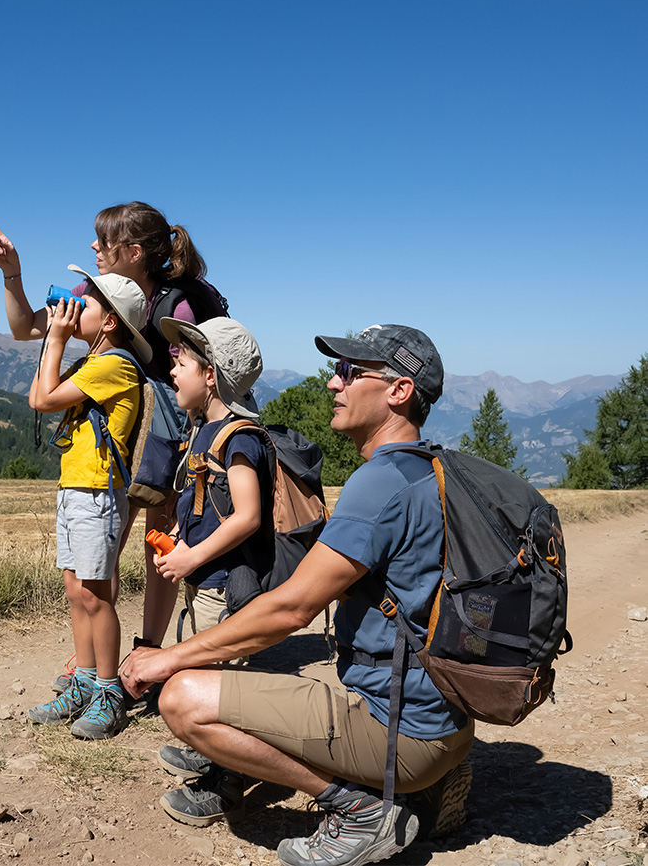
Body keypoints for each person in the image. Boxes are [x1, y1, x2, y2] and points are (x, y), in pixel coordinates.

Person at [122, 324, 475, 866]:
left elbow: (291, 609)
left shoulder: (380, 484)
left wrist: (167, 659)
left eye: (350, 372)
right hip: (444, 719)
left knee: (182, 699)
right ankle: (425, 782)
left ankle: (361, 810)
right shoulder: (432, 469)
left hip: (399, 729)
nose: (333, 383)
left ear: (399, 391)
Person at [0, 203, 227, 653]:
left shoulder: (179, 304)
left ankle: (146, 651)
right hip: (121, 432)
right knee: (105, 546)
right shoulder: (94, 291)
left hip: (169, 435)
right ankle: (97, 658)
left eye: (104, 240)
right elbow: (25, 328)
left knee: (159, 544)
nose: (94, 246)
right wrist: (11, 274)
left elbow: (206, 376)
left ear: (134, 252)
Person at [26, 266, 153, 739]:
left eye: (87, 302)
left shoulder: (116, 364)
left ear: (110, 322)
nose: (75, 305)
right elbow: (40, 395)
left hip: (98, 491)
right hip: (76, 487)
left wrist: (57, 337)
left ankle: (108, 692)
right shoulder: (90, 362)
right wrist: (55, 340)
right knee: (76, 592)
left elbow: (44, 401)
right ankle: (82, 681)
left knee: (97, 596)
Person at [154, 315, 269, 640]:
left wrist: (191, 558)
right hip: (201, 578)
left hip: (221, 586)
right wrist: (178, 537)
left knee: (216, 667)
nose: (173, 370)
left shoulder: (239, 438)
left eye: (182, 364)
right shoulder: (204, 429)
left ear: (209, 376)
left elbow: (248, 517)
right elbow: (201, 498)